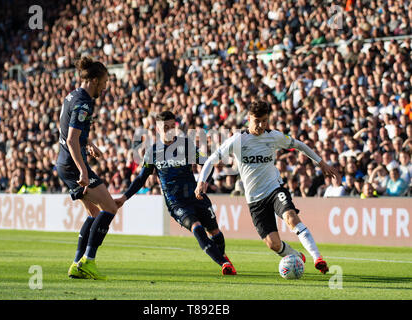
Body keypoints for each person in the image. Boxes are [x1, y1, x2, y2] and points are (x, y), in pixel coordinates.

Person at [195, 101, 340, 275]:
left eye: (265, 120)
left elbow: (299, 145)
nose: (262, 125)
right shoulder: (238, 140)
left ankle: (318, 258)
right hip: (255, 200)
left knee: (291, 218)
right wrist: (201, 181)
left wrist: (321, 162)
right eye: (257, 121)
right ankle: (296, 256)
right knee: (274, 244)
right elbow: (211, 159)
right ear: (249, 119)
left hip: (274, 189)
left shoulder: (274, 136)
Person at [115, 111, 237, 275]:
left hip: (196, 196)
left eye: (172, 127)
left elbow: (207, 163)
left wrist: (203, 182)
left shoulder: (186, 145)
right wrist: (124, 197)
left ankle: (222, 259)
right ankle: (223, 263)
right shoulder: (152, 152)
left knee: (215, 232)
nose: (170, 130)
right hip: (176, 202)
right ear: (158, 130)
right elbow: (141, 179)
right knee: (197, 227)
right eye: (165, 127)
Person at [56, 56, 118, 280]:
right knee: (109, 208)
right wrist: (83, 169)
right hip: (73, 166)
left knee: (93, 213)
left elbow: (67, 130)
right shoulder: (84, 101)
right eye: (104, 82)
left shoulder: (72, 95)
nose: (105, 86)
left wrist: (88, 144)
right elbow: (71, 139)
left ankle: (77, 264)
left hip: (64, 163)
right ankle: (88, 262)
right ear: (93, 80)